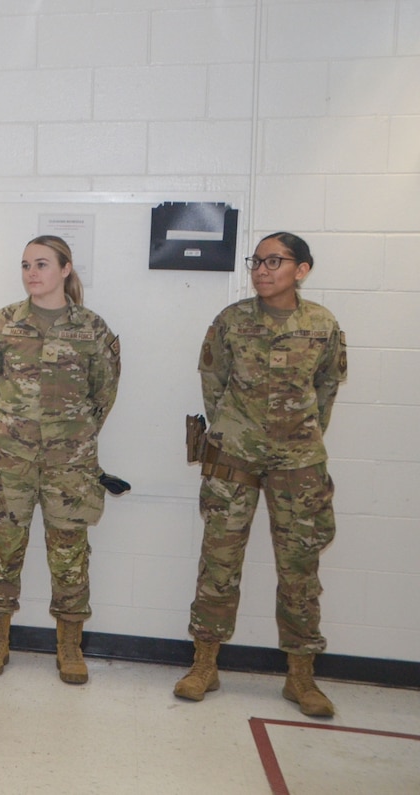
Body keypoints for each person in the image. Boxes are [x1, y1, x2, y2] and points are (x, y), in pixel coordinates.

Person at [175, 232, 347, 716]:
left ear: (302, 269)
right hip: (234, 457)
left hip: (299, 464)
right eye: (257, 261)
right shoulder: (231, 322)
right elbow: (213, 382)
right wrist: (235, 431)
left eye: (275, 261)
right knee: (219, 563)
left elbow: (327, 387)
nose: (262, 269)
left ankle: (301, 677)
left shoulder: (322, 325)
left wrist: (299, 435)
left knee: (300, 569)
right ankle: (204, 664)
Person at [0, 235, 120, 684]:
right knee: (1, 551)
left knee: (70, 556)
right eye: (25, 265)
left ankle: (69, 647)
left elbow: (103, 394)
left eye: (41, 264)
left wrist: (67, 436)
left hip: (69, 465)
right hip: (9, 459)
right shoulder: (1, 324)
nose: (31, 273)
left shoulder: (92, 329)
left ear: (65, 269)